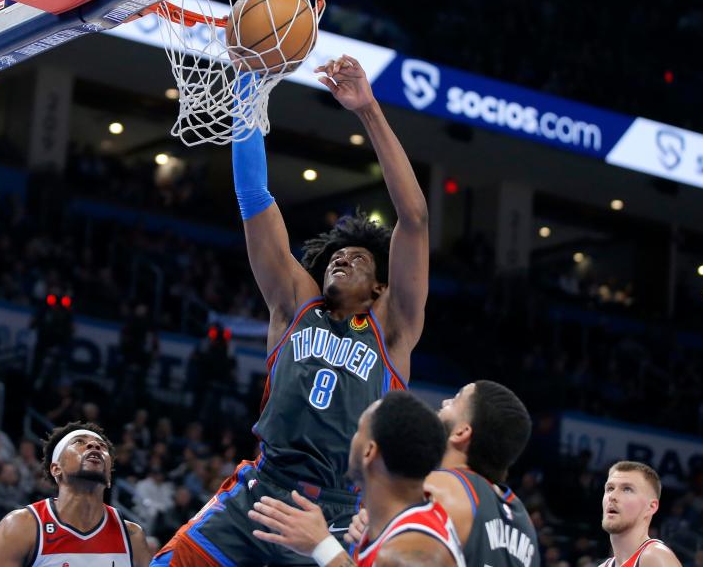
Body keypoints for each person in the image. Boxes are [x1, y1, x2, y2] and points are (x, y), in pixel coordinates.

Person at [152, 55, 429, 565]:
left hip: (340, 511)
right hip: (261, 489)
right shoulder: (297, 306)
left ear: (380, 287)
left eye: (359, 258)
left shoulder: (393, 330)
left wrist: (368, 110)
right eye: (335, 257)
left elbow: (412, 219)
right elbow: (253, 194)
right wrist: (248, 88)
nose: (342, 258)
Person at [246, 391, 463, 566]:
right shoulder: (400, 523)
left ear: (369, 451)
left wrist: (322, 546)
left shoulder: (414, 554)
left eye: (357, 430)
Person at [349, 381, 540, 566]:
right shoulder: (525, 523)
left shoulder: (437, 488)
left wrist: (328, 547)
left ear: (461, 432)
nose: (444, 402)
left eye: (455, 399)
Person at [0, 421, 152, 566]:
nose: (95, 446)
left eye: (102, 446)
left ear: (109, 475)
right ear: (56, 469)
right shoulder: (21, 526)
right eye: (79, 442)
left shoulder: (132, 537)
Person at [599, 462, 682, 567]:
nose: (612, 496)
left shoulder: (655, 557)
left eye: (627, 489)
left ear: (651, 507)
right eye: (610, 488)